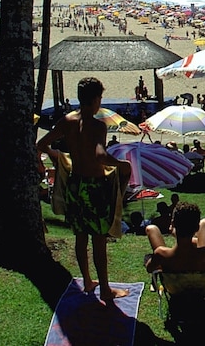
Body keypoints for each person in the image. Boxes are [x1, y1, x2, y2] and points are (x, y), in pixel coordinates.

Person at [37, 77, 132, 302]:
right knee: (98, 241)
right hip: (94, 188)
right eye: (100, 98)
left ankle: (88, 281)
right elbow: (100, 155)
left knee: (80, 237)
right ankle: (105, 290)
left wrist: (60, 158)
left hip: (75, 184)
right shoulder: (97, 126)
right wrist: (121, 164)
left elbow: (41, 144)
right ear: (95, 99)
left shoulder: (67, 120)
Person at [144, 201, 205, 281]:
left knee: (151, 228)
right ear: (197, 228)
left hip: (175, 289)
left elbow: (149, 269)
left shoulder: (161, 254)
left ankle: (183, 236)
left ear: (172, 224)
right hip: (201, 290)